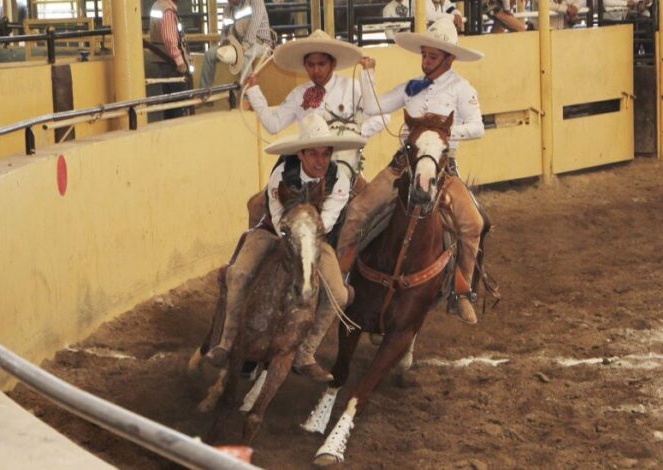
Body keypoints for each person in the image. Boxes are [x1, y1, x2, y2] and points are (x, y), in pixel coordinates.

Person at [341, 18, 486, 324]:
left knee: (473, 223)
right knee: (356, 210)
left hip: (442, 170)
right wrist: (369, 74)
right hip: (401, 166)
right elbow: (373, 108)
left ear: (449, 58)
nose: (426, 61)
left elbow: (478, 127)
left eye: (432, 56)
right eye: (424, 55)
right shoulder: (411, 87)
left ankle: (461, 293)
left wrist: (440, 136)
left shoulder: (463, 89)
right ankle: (339, 281)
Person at [202, 114, 366, 381]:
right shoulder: (281, 173)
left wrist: (306, 240)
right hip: (273, 233)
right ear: (300, 154)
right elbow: (279, 219)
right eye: (313, 154)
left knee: (338, 292)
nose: (320, 161)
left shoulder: (340, 181)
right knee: (238, 274)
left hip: (315, 239)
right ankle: (227, 342)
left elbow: (326, 221)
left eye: (326, 154)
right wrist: (295, 236)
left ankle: (305, 353)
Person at [244, 29, 387, 139]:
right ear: (304, 65)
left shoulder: (351, 87)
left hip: (346, 164)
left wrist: (355, 132)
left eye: (322, 64)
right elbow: (273, 125)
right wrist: (253, 90)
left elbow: (382, 117)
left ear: (333, 64)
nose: (316, 70)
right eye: (311, 65)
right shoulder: (299, 94)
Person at [199, 0, 272, 89]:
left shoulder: (256, 1)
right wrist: (224, 44)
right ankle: (204, 93)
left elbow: (254, 25)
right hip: (237, 44)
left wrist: (244, 46)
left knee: (243, 56)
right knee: (209, 54)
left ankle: (247, 95)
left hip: (260, 43)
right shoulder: (228, 8)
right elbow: (224, 31)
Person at [149, 0, 193, 119]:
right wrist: (180, 62)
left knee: (169, 99)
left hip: (162, 59)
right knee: (178, 100)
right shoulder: (167, 11)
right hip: (170, 62)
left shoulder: (158, 5)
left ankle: (170, 123)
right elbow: (169, 39)